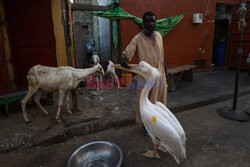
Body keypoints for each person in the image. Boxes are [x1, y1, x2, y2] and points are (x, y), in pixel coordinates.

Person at [120, 11, 168, 130]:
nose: (151, 24)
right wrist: (123, 57)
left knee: (159, 102)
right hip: (145, 79)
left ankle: (157, 124)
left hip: (160, 76)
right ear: (143, 23)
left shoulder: (158, 36)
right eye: (148, 21)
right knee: (145, 104)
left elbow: (162, 56)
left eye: (153, 21)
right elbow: (127, 53)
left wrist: (165, 72)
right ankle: (146, 126)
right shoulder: (137, 39)